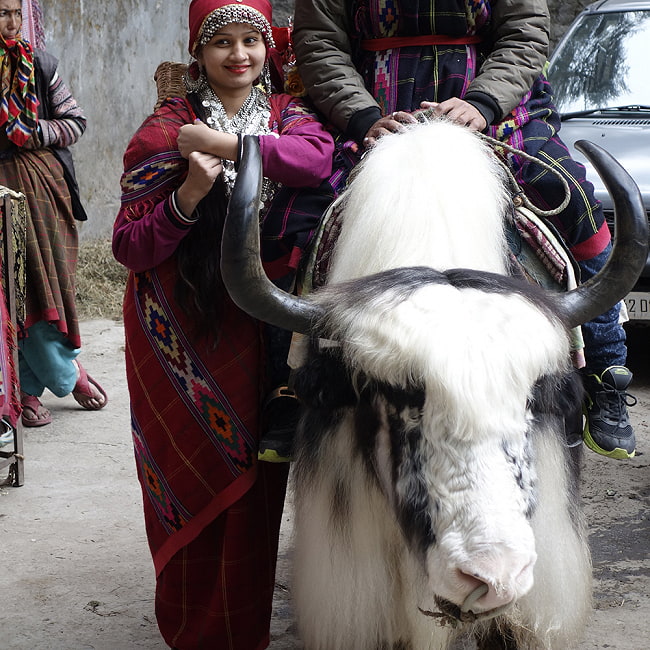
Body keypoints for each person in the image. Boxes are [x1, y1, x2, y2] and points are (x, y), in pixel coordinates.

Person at [293, 0, 637, 460]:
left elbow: (525, 31)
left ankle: (605, 369)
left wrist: (482, 102)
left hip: (490, 108)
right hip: (375, 112)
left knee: (570, 194)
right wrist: (362, 117)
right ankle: (285, 384)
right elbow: (320, 43)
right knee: (299, 215)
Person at [112, 0, 335, 646]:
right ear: (197, 55)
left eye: (251, 41)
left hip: (258, 331)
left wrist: (226, 146)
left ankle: (242, 633)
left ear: (269, 48)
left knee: (255, 489)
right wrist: (185, 197)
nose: (239, 56)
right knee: (188, 481)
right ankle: (190, 632)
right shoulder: (162, 130)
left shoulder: (290, 117)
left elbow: (316, 159)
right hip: (180, 339)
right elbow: (130, 247)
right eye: (222, 44)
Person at [0, 0, 107, 428]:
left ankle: (34, 386)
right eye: (0, 13)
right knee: (14, 292)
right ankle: (60, 376)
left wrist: (34, 133)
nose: (10, 22)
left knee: (46, 288)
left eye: (13, 12)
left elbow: (75, 121)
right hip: (2, 194)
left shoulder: (40, 64)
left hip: (45, 189)